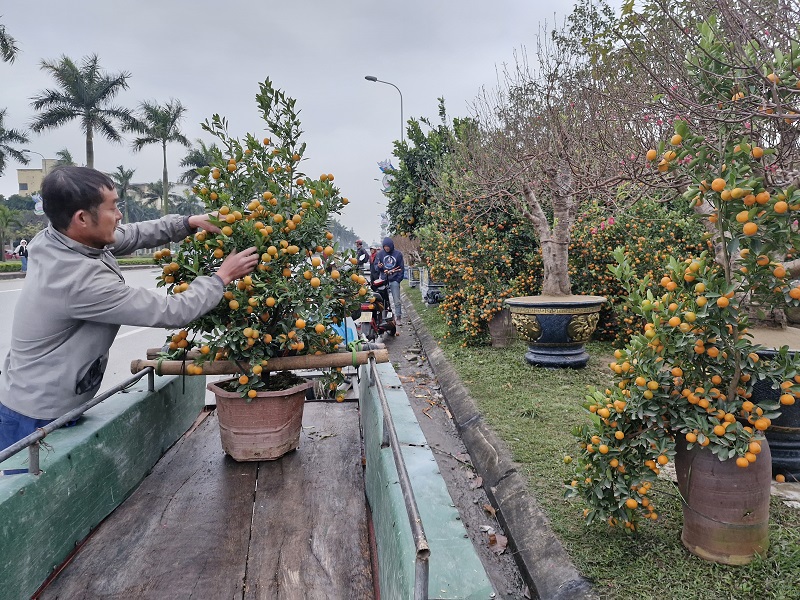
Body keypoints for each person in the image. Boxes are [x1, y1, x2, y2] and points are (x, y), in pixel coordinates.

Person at [0, 166, 259, 450]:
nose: (120, 215)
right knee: (35, 490)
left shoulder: (60, 238)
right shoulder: (77, 281)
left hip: (41, 397)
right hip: (34, 417)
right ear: (82, 218)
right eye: (113, 208)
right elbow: (172, 311)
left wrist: (189, 222)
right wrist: (221, 278)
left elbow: (131, 234)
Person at [376, 237, 405, 328]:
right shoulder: (380, 254)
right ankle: (384, 317)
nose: (386, 248)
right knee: (383, 300)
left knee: (396, 300)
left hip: (394, 280)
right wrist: (380, 267)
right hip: (384, 280)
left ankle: (398, 317)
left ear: (391, 246)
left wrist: (398, 279)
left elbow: (401, 268)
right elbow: (376, 268)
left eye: (388, 246)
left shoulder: (398, 254)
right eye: (385, 247)